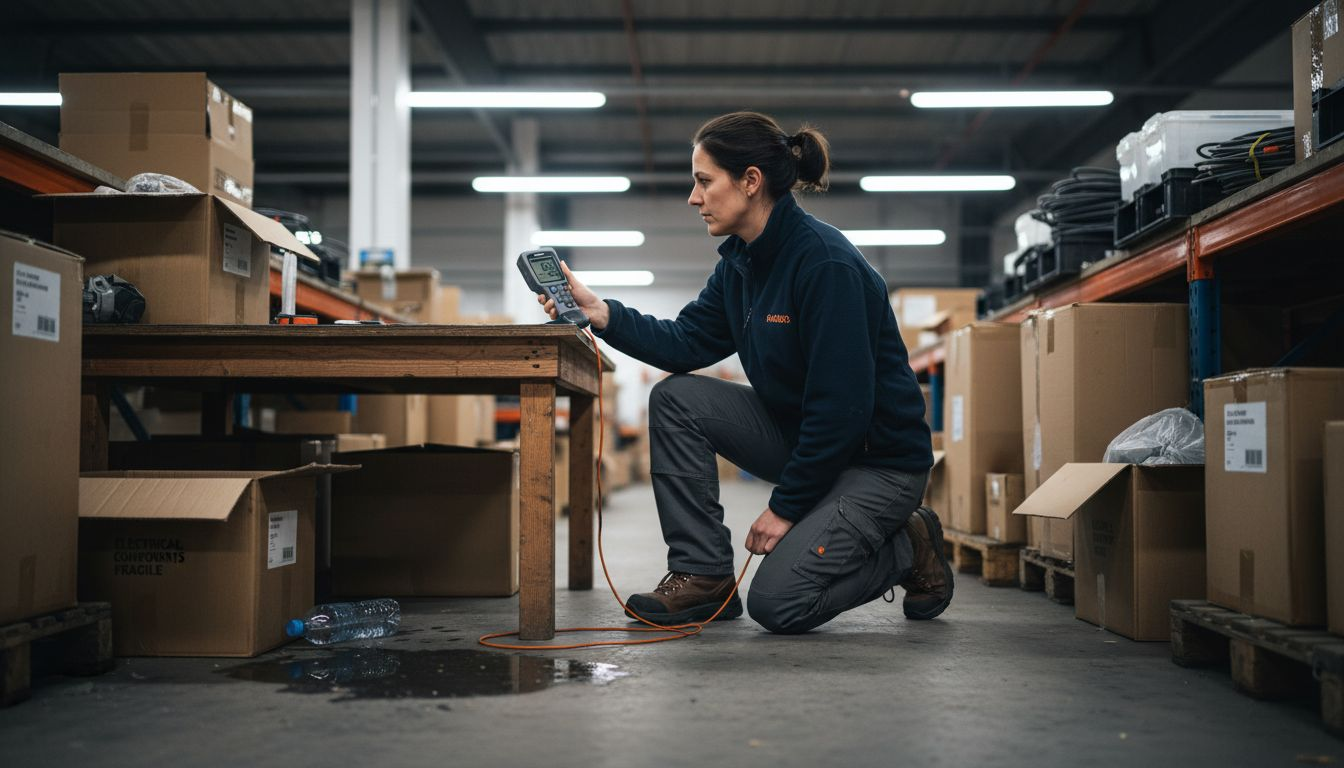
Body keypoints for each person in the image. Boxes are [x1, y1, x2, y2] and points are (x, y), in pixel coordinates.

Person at [534, 111, 951, 634]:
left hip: (878, 464)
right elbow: (685, 342)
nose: (693, 197)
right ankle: (703, 575)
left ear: (751, 182)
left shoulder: (826, 266)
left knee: (779, 603)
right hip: (806, 440)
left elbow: (842, 409)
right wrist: (602, 313)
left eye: (704, 181)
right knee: (676, 398)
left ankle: (908, 546)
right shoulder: (740, 264)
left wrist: (785, 507)